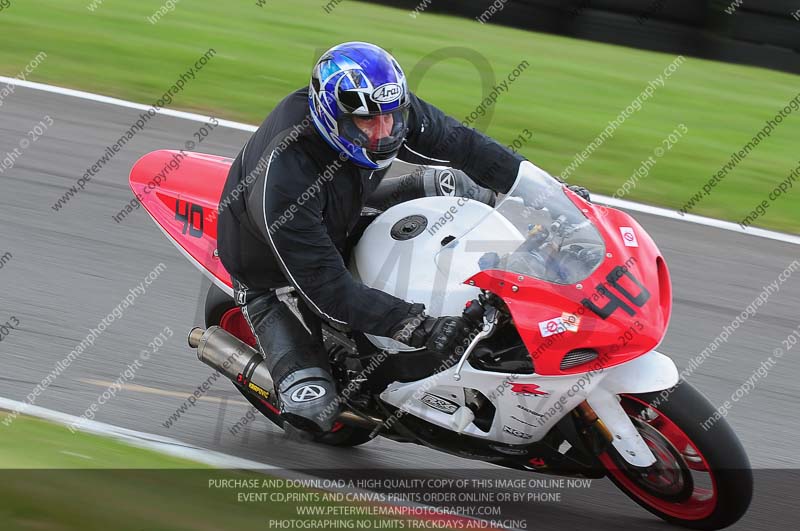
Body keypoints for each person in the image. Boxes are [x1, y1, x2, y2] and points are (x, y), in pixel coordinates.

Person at [217, 41, 587, 434]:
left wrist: (550, 194)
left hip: (346, 207)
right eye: (368, 123)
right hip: (274, 268)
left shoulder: (385, 114)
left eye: (392, 117)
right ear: (333, 117)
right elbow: (327, 290)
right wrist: (420, 325)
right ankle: (297, 370)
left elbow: (467, 146)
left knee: (456, 183)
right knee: (313, 408)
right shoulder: (286, 180)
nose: (385, 132)